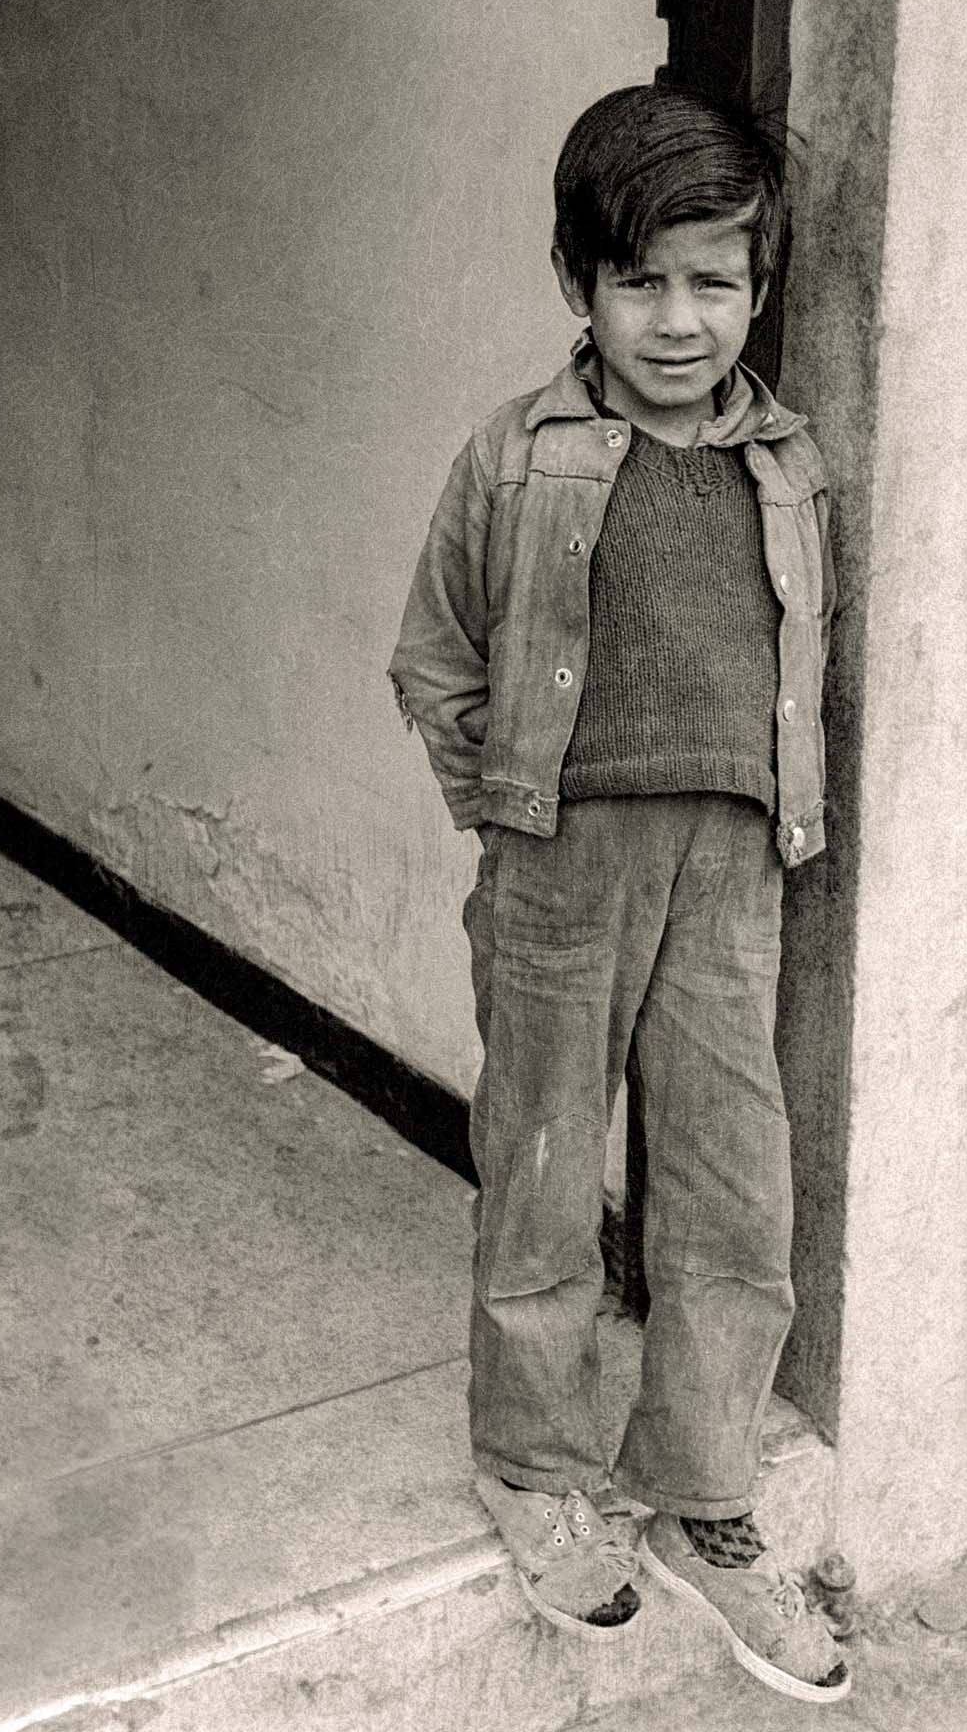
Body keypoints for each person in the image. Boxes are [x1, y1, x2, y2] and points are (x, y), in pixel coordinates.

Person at [389, 83, 846, 1704]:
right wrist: (507, 816)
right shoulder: (518, 461)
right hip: (560, 866)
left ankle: (706, 1491)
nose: (677, 320)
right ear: (580, 283)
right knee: (539, 1161)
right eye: (642, 281)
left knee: (735, 1183)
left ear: (759, 286)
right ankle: (532, 1463)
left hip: (730, 864)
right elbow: (434, 657)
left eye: (713, 282)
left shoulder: (785, 460)